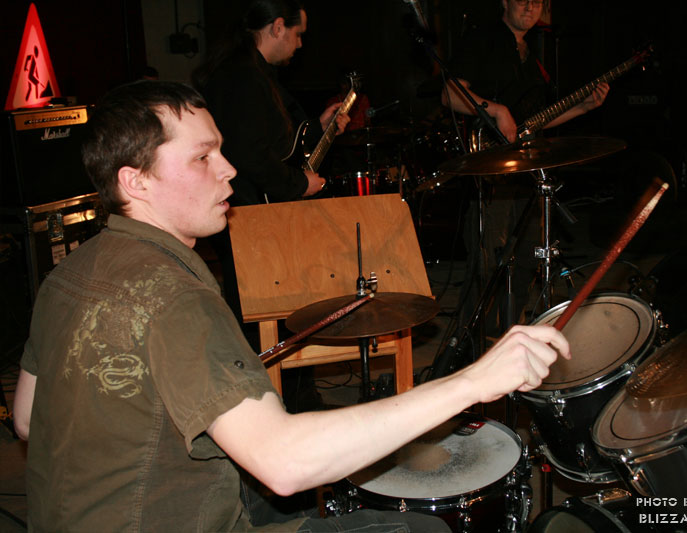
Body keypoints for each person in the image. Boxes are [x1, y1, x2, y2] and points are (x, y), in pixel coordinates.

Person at [13, 80, 570, 531]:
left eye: (220, 149)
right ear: (135, 182)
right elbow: (283, 463)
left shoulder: (67, 274)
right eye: (203, 157)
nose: (229, 169)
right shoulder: (173, 295)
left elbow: (27, 420)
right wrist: (474, 381)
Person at [441, 0, 609, 337]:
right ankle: (469, 344)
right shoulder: (482, 39)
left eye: (537, 1)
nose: (531, 6)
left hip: (524, 170)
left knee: (529, 257)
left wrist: (582, 108)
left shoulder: (531, 55)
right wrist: (495, 109)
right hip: (491, 171)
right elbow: (449, 94)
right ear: (504, 1)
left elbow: (533, 123)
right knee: (488, 262)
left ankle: (508, 335)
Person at [193, 0, 349, 205]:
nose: (300, 44)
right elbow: (248, 152)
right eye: (298, 34)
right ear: (278, 27)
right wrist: (299, 184)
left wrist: (317, 127)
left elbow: (270, 139)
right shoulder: (243, 75)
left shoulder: (253, 71)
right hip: (246, 206)